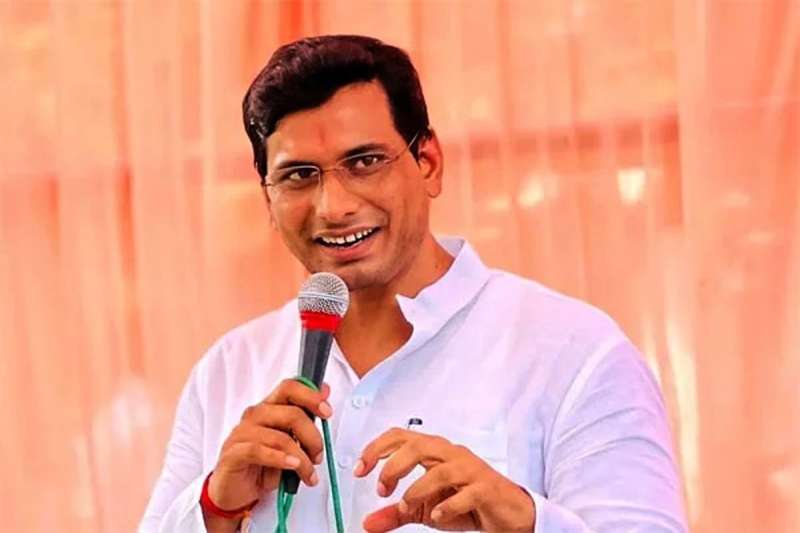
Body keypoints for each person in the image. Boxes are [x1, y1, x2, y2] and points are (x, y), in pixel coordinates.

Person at [140, 35, 687, 533]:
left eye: (364, 161)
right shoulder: (228, 370)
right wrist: (214, 510)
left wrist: (525, 522)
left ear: (428, 163)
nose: (333, 207)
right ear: (268, 196)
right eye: (299, 175)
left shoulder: (574, 352)